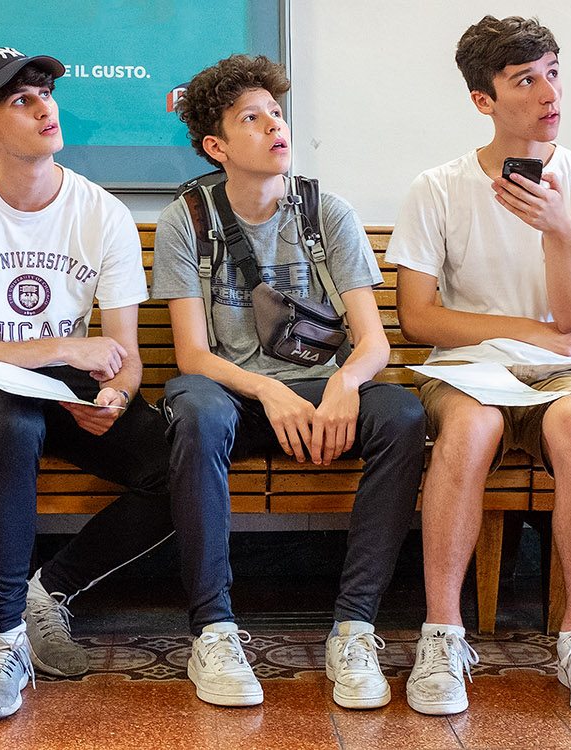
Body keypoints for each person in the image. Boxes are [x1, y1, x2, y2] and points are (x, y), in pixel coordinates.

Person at [0, 46, 177, 721]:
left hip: (66, 391)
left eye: (46, 92)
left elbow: (125, 355)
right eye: (21, 99)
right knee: (12, 424)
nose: (44, 106)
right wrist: (56, 347)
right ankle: (2, 639)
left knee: (180, 463)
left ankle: (47, 594)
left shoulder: (100, 211)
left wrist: (115, 395)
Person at [154, 54, 426, 709]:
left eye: (276, 113)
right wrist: (268, 390)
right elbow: (192, 355)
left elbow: (374, 342)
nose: (275, 126)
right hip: (236, 400)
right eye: (253, 118)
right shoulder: (187, 221)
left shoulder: (324, 213)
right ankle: (214, 632)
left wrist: (346, 388)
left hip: (324, 399)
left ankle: (354, 628)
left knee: (403, 416)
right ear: (216, 145)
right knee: (194, 412)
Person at [387, 16, 571, 718]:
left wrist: (558, 228)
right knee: (469, 431)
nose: (548, 92)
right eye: (525, 79)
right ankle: (443, 634)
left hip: (563, 369)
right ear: (483, 100)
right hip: (466, 369)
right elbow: (419, 319)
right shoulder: (438, 187)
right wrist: (525, 330)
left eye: (553, 72)